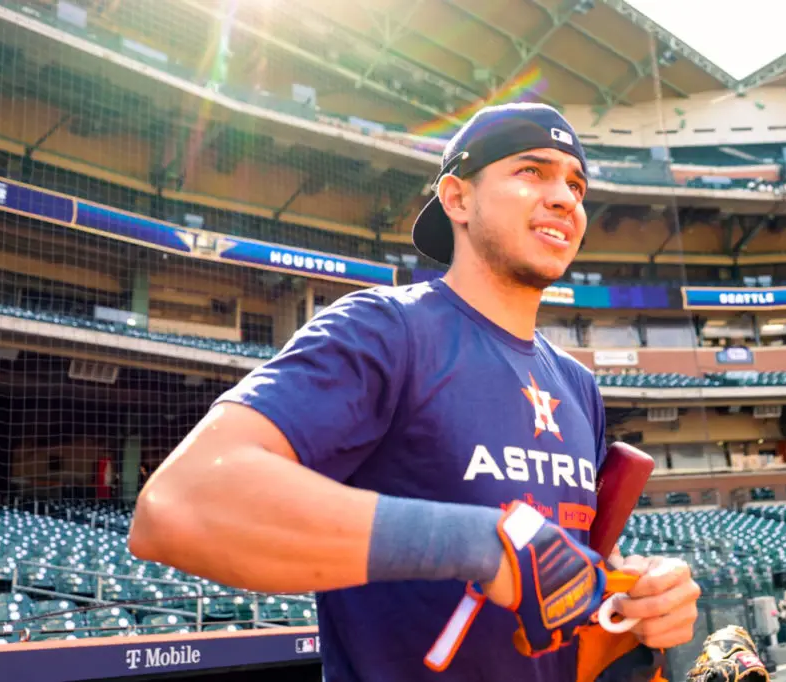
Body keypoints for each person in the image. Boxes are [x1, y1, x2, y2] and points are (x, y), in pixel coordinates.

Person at [128, 103, 700, 681]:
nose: (565, 198)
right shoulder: (383, 328)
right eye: (532, 171)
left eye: (576, 184)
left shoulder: (577, 385)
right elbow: (180, 504)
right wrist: (479, 545)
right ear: (457, 199)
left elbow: (567, 574)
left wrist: (643, 599)